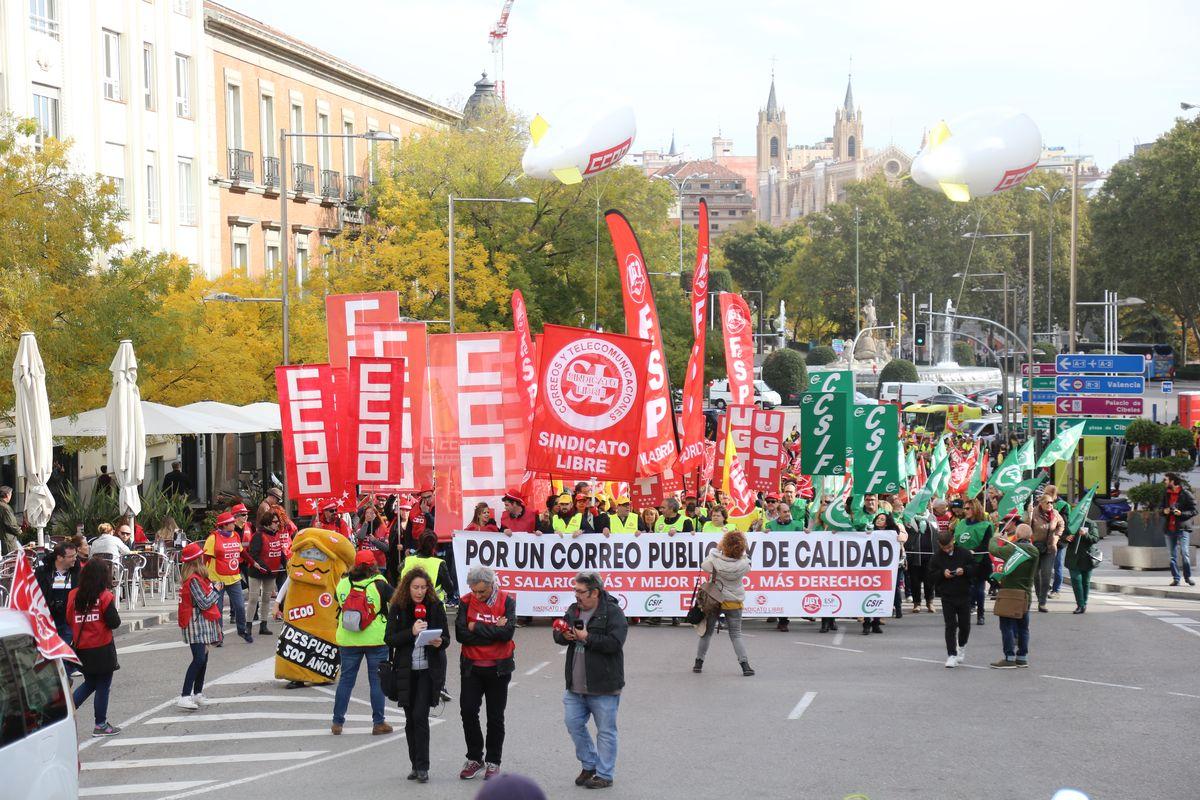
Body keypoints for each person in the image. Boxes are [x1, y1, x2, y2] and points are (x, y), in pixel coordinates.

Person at [553, 570, 628, 789]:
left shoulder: (612, 612)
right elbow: (559, 635)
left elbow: (615, 643)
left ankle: (604, 774)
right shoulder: (573, 609)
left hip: (603, 685)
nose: (575, 595)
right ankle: (589, 764)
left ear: (594, 592)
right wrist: (563, 636)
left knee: (605, 731)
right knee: (573, 724)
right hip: (575, 685)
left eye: (580, 591)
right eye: (574, 590)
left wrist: (588, 638)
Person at [385, 567, 450, 783]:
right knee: (409, 720)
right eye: (415, 587)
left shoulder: (435, 606)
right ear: (407, 587)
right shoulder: (398, 606)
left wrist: (439, 642)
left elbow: (446, 638)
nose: (420, 592)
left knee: (420, 717)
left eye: (423, 587)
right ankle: (414, 764)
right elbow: (390, 639)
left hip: (427, 672)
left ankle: (423, 767)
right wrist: (411, 632)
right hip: (405, 671)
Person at [455, 565, 516, 782]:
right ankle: (474, 758)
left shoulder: (507, 600)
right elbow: (461, 634)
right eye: (475, 591)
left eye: (482, 591)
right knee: (468, 711)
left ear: (492, 585)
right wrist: (493, 632)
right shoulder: (465, 601)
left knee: (495, 717)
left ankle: (493, 761)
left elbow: (507, 633)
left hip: (498, 668)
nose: (478, 595)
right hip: (472, 666)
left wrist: (476, 627)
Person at [330, 550, 395, 736]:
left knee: (346, 681)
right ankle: (378, 723)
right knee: (376, 682)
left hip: (348, 639)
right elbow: (395, 603)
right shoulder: (380, 584)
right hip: (375, 639)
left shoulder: (343, 583)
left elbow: (338, 602)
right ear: (373, 565)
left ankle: (337, 722)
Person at [67, 558, 122, 735]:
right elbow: (114, 622)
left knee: (90, 682)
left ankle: (66, 712)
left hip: (82, 647)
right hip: (102, 647)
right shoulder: (105, 596)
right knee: (103, 685)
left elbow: (68, 618)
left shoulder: (73, 595)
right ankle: (100, 724)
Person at [693, 531, 753, 676]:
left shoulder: (714, 560)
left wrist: (715, 549)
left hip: (715, 599)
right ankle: (745, 665)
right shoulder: (745, 563)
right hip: (734, 601)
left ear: (724, 545)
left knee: (706, 634)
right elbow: (747, 565)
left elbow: (704, 565)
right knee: (736, 634)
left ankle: (698, 663)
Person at [176, 542, 222, 709]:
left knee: (204, 659)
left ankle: (197, 693)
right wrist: (216, 590)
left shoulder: (198, 578)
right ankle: (185, 695)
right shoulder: (193, 580)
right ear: (197, 560)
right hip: (195, 623)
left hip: (201, 623)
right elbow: (203, 603)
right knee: (199, 659)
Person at [988, 523, 1039, 668]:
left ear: (1016, 536)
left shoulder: (1012, 549)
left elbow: (994, 550)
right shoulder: (1034, 551)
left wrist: (995, 538)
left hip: (1010, 592)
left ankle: (1009, 658)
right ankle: (1022, 657)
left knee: (1007, 626)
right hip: (1025, 593)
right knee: (1023, 627)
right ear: (1030, 537)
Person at [928, 529, 977, 668]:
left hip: (964, 593)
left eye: (949, 546)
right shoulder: (936, 557)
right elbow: (930, 576)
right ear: (939, 544)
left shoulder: (964, 553)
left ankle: (961, 646)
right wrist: (942, 574)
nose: (947, 549)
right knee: (950, 625)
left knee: (965, 625)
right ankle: (951, 654)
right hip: (947, 595)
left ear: (953, 541)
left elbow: (975, 569)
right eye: (944, 548)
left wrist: (965, 570)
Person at [204, 511, 251, 643]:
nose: (234, 523)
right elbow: (205, 558)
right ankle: (218, 636)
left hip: (234, 578)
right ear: (224, 525)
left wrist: (254, 563)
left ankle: (242, 631)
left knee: (240, 606)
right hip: (217, 579)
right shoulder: (213, 538)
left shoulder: (235, 535)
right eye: (231, 522)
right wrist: (203, 576)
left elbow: (242, 552)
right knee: (217, 609)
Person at [35, 541, 80, 653]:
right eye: (71, 556)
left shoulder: (77, 574)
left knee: (63, 651)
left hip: (68, 620)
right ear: (59, 558)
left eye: (75, 556)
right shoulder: (42, 573)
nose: (75, 559)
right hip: (47, 620)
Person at [954, 498, 994, 625]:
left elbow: (986, 544)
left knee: (979, 590)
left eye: (968, 508)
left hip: (980, 562)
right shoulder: (960, 524)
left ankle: (981, 614)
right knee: (964, 589)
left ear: (975, 509)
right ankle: (964, 614)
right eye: (964, 508)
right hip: (963, 561)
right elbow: (957, 541)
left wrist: (973, 551)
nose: (965, 511)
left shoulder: (986, 525)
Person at [246, 512, 285, 635]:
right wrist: (264, 566)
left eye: (278, 522)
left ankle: (263, 625)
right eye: (275, 522)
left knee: (266, 598)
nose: (277, 524)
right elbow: (253, 554)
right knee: (253, 598)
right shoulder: (258, 535)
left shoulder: (277, 535)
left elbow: (280, 551)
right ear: (268, 523)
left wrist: (286, 563)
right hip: (257, 571)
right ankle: (249, 625)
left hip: (271, 572)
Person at [1029, 490, 1064, 611]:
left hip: (1049, 548)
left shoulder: (1055, 513)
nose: (1050, 505)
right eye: (1048, 503)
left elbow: (1061, 524)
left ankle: (1042, 602)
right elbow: (1025, 526)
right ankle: (1039, 596)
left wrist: (1057, 536)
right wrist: (1028, 515)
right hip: (1035, 547)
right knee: (1036, 575)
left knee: (1046, 574)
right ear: (1041, 504)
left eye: (1052, 502)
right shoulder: (1033, 512)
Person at [1161, 472, 1196, 586]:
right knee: (1172, 555)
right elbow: (1160, 508)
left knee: (1185, 553)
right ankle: (1176, 578)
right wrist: (1163, 511)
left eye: (1165, 480)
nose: (1164, 482)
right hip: (1169, 528)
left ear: (1172, 481)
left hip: (1182, 528)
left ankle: (1188, 577)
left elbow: (1194, 510)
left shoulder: (1185, 493)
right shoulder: (1166, 494)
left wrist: (1181, 513)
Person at [402, 531, 454, 603]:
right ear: (435, 545)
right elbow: (449, 588)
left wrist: (416, 552)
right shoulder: (439, 564)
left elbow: (399, 571)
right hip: (434, 606)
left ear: (419, 544)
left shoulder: (408, 561)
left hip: (410, 605)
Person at [1062, 518, 1100, 614]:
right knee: (1076, 579)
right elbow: (1062, 535)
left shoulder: (1090, 523)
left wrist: (1085, 534)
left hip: (1086, 557)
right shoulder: (1071, 522)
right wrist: (1066, 538)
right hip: (1073, 557)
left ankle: (1084, 603)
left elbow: (1095, 538)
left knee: (1085, 582)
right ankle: (1080, 604)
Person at [0, 486, 21, 553]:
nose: (11, 495)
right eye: (11, 494)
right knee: (11, 560)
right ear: (7, 495)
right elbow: (12, 524)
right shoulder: (5, 507)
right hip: (8, 540)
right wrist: (19, 531)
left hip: (3, 539)